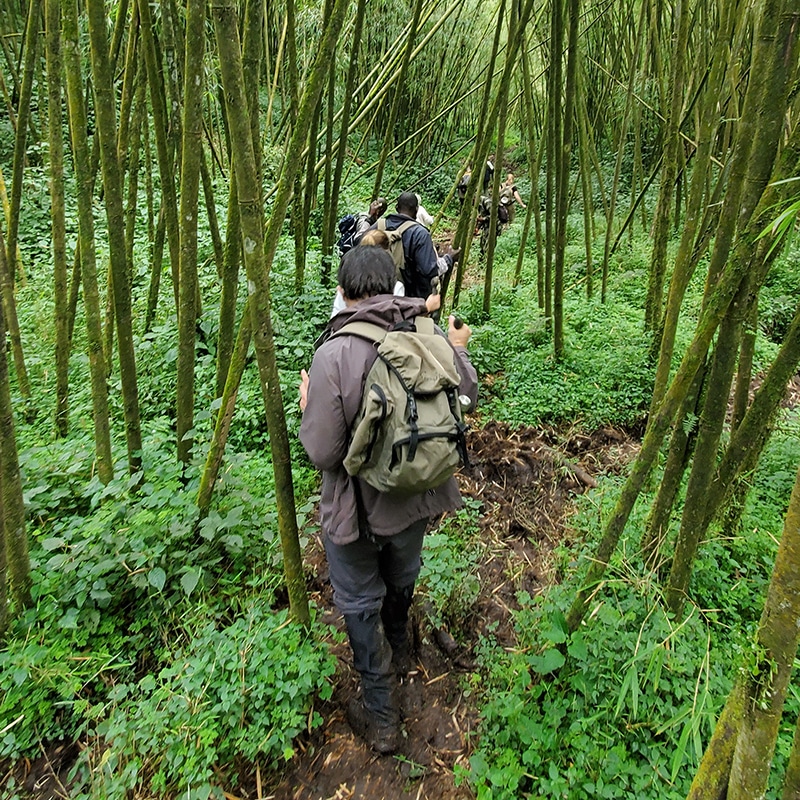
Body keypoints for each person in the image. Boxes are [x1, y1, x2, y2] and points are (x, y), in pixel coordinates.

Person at [299, 247, 477, 755]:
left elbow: (322, 450)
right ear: (393, 287)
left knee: (357, 601)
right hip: (417, 498)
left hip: (356, 509)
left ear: (345, 293)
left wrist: (309, 403)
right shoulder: (427, 334)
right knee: (402, 571)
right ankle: (401, 648)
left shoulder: (333, 354)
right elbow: (467, 396)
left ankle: (380, 717)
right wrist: (458, 347)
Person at [330, 230, 440, 318]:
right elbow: (398, 317)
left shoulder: (347, 283)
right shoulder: (394, 286)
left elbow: (335, 318)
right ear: (387, 253)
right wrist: (426, 307)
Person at [371, 191, 460, 299]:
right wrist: (449, 258)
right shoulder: (420, 234)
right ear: (417, 210)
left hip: (376, 295)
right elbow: (430, 270)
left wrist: (370, 217)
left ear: (396, 207)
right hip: (408, 302)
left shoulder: (379, 225)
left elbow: (358, 244)